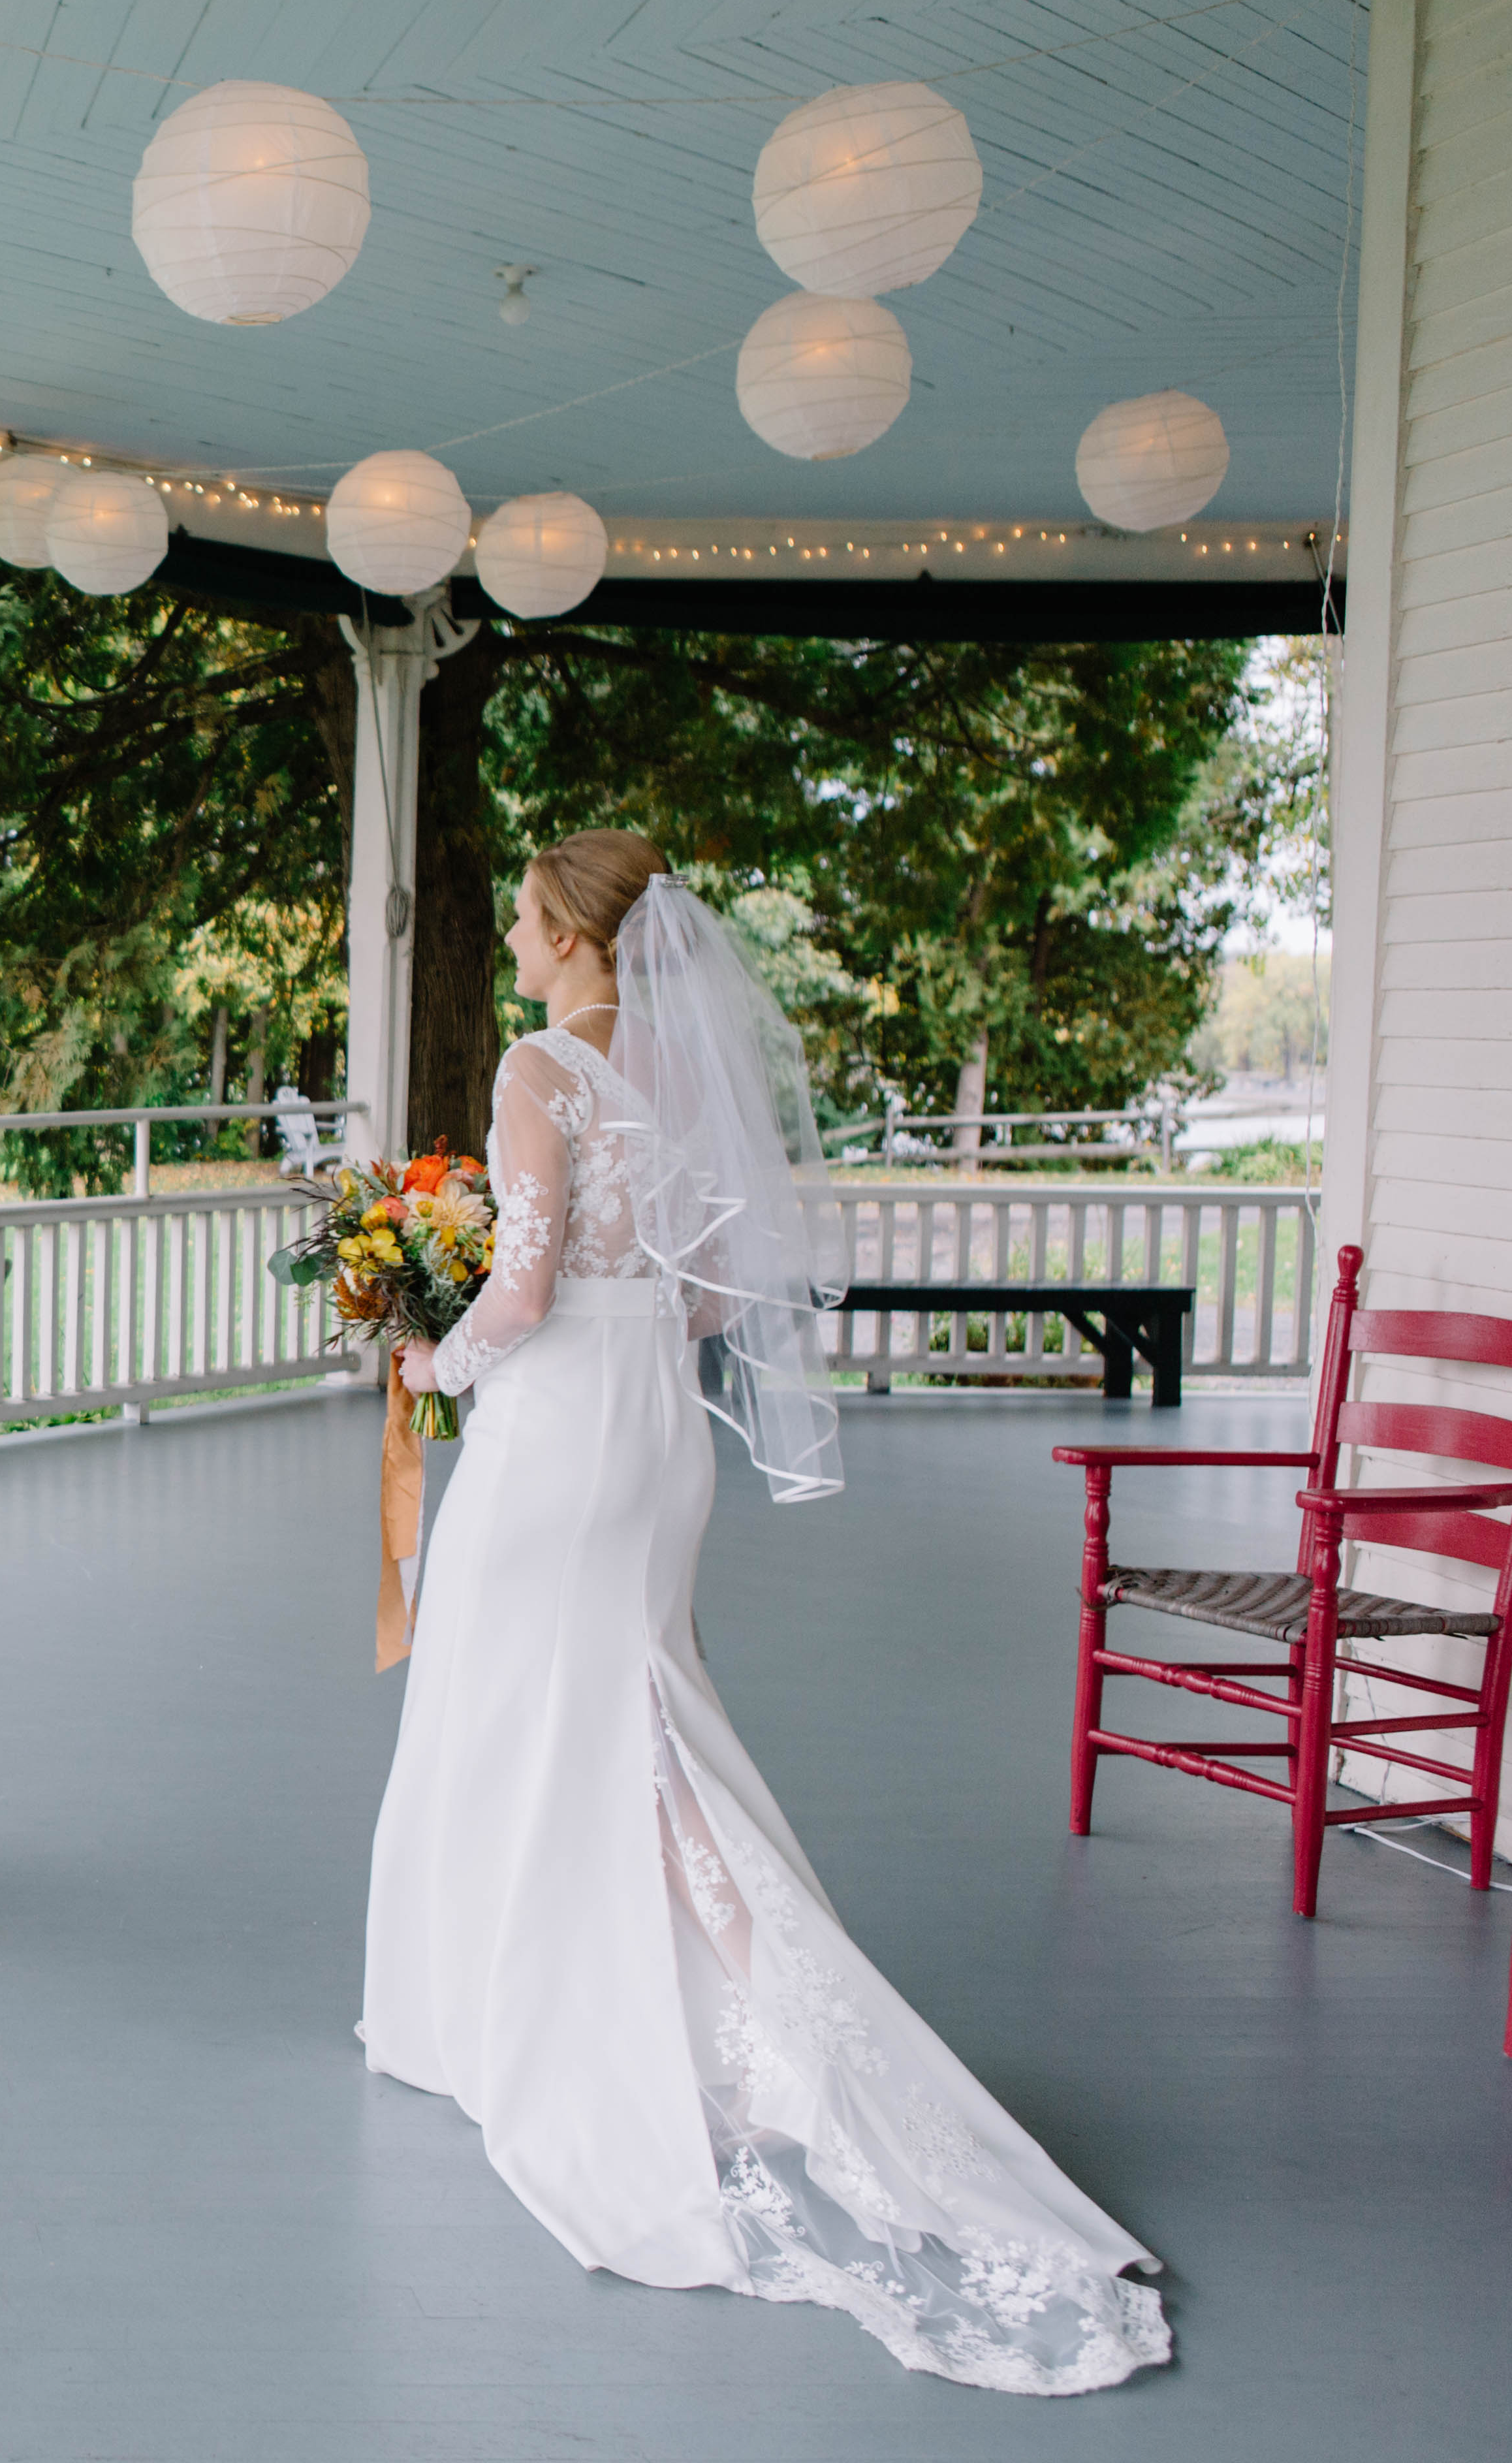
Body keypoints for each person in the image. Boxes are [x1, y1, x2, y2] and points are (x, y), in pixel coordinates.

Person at [359, 829, 1171, 2396]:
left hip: (557, 1431)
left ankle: (492, 2009)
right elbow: (724, 1293)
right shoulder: (676, 1060)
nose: (515, 948)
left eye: (529, 925)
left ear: (580, 939)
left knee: (512, 1694)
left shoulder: (542, 1072)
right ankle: (736, 1989)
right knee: (635, 1701)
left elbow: (516, 1296)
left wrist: (430, 1361)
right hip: (658, 1429)